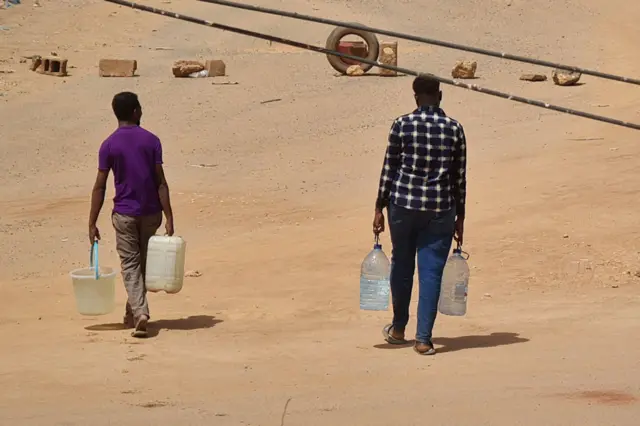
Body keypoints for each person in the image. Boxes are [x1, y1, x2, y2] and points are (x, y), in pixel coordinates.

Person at [372, 75, 467, 355]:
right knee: (431, 271)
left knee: (402, 264)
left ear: (416, 98)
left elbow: (389, 169)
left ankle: (399, 327)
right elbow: (459, 177)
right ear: (440, 95)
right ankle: (423, 339)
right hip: (440, 208)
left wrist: (379, 206)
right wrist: (460, 216)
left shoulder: (402, 125)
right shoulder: (454, 128)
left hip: (402, 205)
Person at [88, 91, 174, 338]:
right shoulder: (152, 141)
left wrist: (91, 222)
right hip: (151, 213)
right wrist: (169, 216)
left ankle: (139, 312)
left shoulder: (109, 144)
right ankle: (135, 312)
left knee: (130, 264)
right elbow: (161, 182)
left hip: (124, 214)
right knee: (143, 263)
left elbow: (100, 186)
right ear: (136, 111)